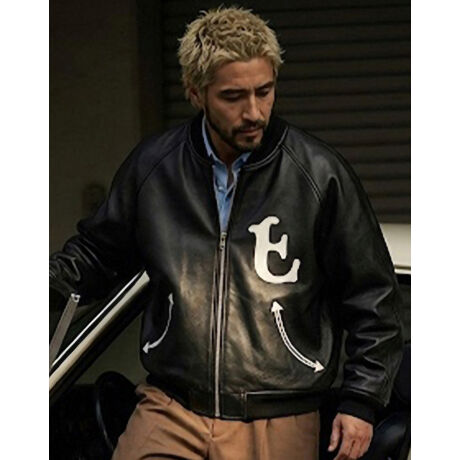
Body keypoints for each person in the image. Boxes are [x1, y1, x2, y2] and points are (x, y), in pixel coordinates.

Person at [50, 7, 403, 460]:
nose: (253, 112)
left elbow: (373, 297)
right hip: (172, 405)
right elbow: (97, 255)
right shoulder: (155, 169)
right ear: (195, 92)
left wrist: (362, 400)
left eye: (264, 91)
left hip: (280, 416)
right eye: (233, 96)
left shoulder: (319, 175)